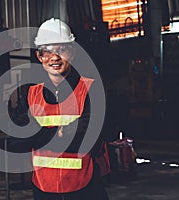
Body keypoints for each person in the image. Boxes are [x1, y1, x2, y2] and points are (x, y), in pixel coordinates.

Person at [9, 18, 110, 200]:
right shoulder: (30, 94)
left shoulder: (90, 90)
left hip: (85, 189)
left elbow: (91, 139)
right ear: (40, 57)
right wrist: (62, 134)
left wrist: (37, 135)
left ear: (71, 53)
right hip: (43, 189)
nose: (54, 57)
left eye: (61, 50)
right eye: (47, 51)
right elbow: (15, 140)